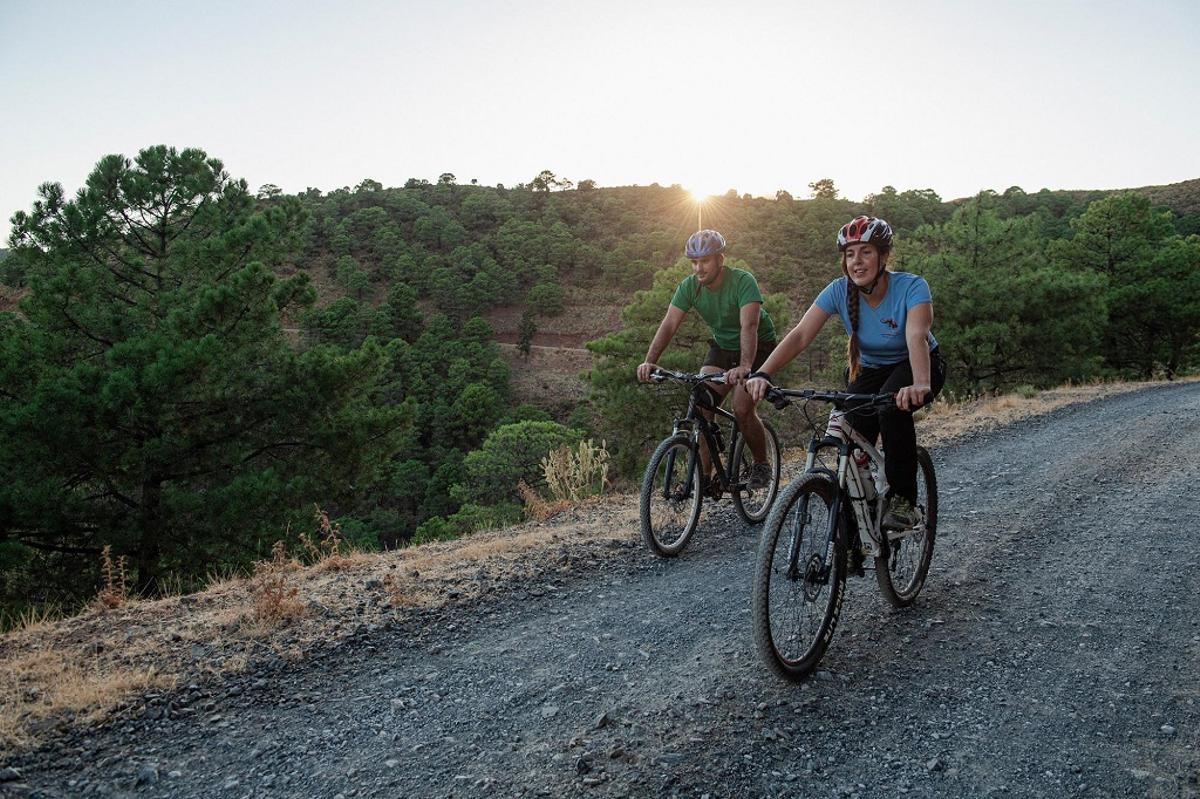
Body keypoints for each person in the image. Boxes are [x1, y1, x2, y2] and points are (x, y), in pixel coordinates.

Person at [746, 216, 946, 528]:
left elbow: (915, 337)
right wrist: (762, 373)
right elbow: (800, 335)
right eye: (850, 254)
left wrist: (920, 383)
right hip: (871, 369)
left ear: (883, 256)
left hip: (918, 365)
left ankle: (904, 502)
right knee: (848, 438)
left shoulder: (912, 287)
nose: (857, 261)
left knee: (892, 410)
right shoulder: (838, 291)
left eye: (865, 252)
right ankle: (852, 536)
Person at [637, 229, 778, 492]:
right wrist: (650, 361)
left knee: (741, 407)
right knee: (701, 403)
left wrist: (746, 367)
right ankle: (704, 477)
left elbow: (749, 326)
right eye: (694, 262)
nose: (698, 268)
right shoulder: (690, 286)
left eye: (705, 261)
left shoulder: (743, 281)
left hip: (758, 346)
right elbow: (669, 324)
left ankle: (761, 463)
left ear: (720, 260)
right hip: (723, 346)